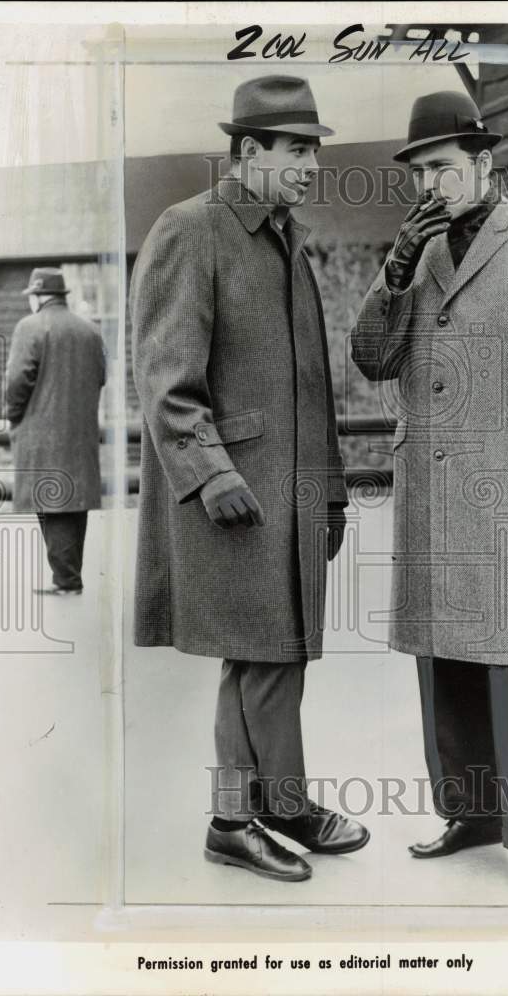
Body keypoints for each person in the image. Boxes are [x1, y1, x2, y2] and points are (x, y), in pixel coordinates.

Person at [351, 90, 508, 898]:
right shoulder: (417, 254)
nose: (430, 184)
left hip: (506, 489)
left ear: (483, 162)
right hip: (431, 488)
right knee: (441, 661)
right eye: (418, 171)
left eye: (442, 167)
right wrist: (393, 272)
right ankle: (468, 814)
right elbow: (372, 359)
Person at [129, 75, 368, 883]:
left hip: (289, 496)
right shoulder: (190, 229)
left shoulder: (284, 237)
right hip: (235, 494)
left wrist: (329, 492)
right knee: (260, 655)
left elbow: (312, 386)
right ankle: (238, 820)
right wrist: (207, 473)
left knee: (278, 653)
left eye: (314, 151)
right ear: (247, 150)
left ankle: (276, 803)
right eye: (296, 150)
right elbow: (165, 378)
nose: (310, 166)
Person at [5, 267, 106, 595]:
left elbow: (17, 381)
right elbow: (101, 377)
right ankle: (68, 578)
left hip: (42, 434)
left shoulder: (29, 327)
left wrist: (13, 417)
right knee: (74, 503)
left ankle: (66, 581)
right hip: (81, 433)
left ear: (37, 297)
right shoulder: (91, 331)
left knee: (51, 502)